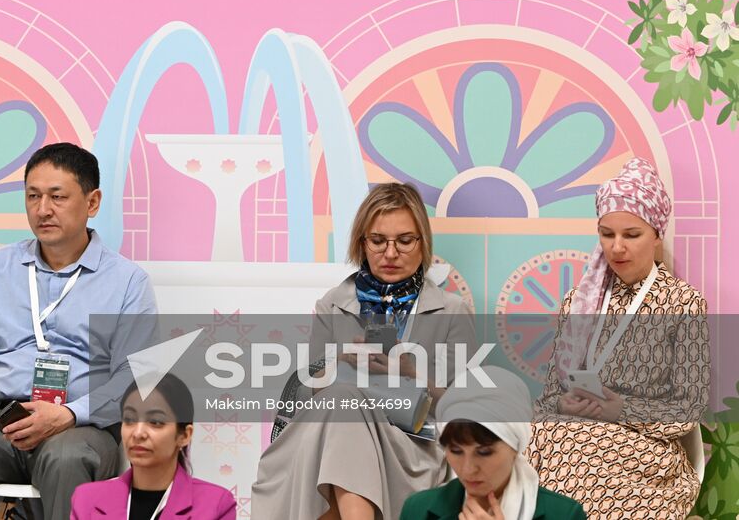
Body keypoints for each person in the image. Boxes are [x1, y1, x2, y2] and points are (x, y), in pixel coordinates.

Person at [0, 142, 159, 520]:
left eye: (58, 197)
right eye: (33, 196)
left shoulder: (126, 281)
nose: (43, 209)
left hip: (79, 429)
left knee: (67, 458)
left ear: (92, 202)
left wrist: (70, 413)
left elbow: (135, 375)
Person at [251, 181, 477, 520]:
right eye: (378, 241)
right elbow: (303, 399)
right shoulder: (332, 304)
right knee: (343, 401)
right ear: (362, 243)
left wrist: (410, 373)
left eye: (404, 240)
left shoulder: (452, 311)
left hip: (410, 446)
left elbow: (465, 411)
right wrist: (337, 366)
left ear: (423, 243)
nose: (390, 253)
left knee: (343, 412)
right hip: (330, 437)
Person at [528, 157, 709, 520]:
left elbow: (688, 409)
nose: (617, 247)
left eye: (631, 235)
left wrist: (619, 410)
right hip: (570, 437)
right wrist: (567, 403)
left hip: (645, 452)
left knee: (582, 455)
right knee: (534, 443)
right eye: (607, 234)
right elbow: (549, 396)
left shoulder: (684, 303)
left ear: (657, 234)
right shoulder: (579, 301)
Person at [400, 366, 585, 520]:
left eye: (484, 452)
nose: (468, 469)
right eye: (456, 451)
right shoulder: (418, 510)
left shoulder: (564, 515)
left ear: (516, 447)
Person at [69, 374, 236, 520]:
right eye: (130, 420)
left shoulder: (215, 505)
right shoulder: (87, 499)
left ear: (184, 435)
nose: (138, 433)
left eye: (155, 422)